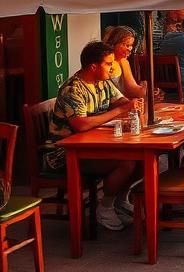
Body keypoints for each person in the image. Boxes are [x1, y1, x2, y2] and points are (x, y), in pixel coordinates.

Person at [46, 41, 141, 230]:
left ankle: (119, 200)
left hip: (94, 146)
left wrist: (130, 104)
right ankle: (104, 209)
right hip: (64, 155)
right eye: (108, 63)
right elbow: (81, 125)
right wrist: (120, 110)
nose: (112, 67)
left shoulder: (103, 82)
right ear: (93, 66)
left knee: (143, 158)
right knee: (127, 162)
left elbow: (121, 100)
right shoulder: (73, 90)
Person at [102, 25, 147, 99]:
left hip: (122, 101)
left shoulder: (124, 62)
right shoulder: (104, 62)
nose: (130, 49)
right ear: (113, 44)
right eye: (126, 45)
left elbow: (132, 88)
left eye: (131, 45)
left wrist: (147, 89)